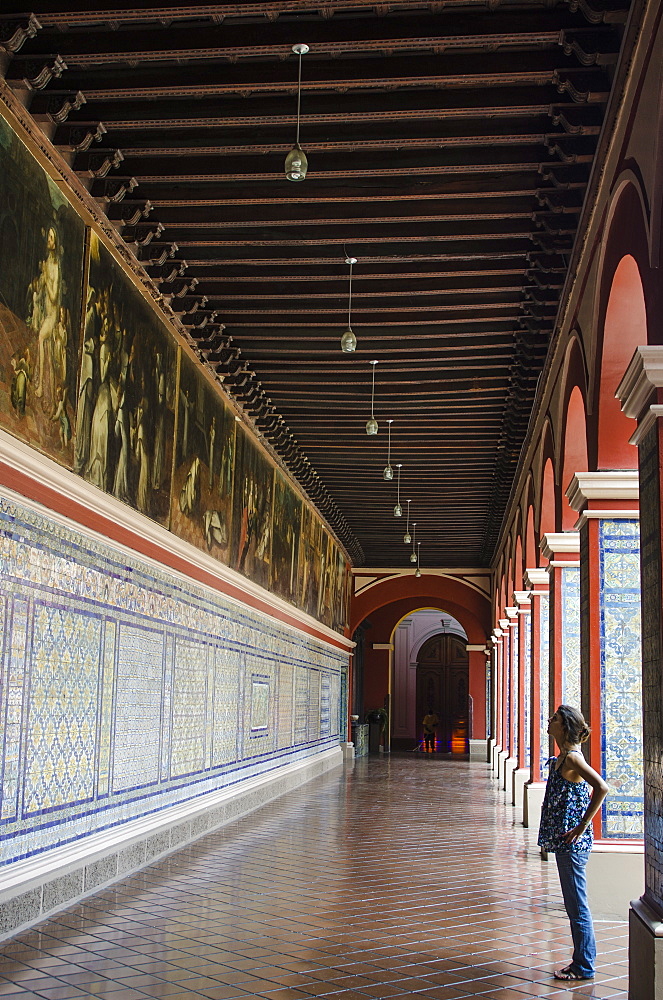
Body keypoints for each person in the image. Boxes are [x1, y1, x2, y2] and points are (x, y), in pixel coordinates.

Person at [538, 705, 609, 982]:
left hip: (572, 844)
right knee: (573, 904)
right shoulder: (562, 757)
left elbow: (601, 787)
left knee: (577, 906)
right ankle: (582, 962)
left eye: (554, 718)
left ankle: (584, 966)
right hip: (564, 841)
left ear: (565, 725)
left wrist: (583, 824)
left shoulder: (572, 758)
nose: (549, 720)